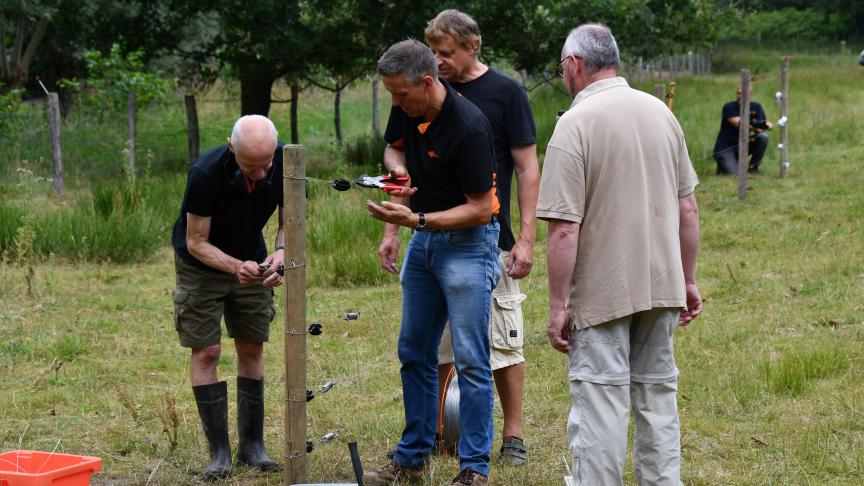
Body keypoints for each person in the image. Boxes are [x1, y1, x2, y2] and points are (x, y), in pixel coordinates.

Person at [537, 24, 702, 485]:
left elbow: (564, 229)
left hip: (603, 291)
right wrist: (687, 280)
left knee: (601, 405)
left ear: (574, 65)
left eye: (561, 67)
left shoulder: (573, 125)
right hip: (663, 283)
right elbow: (687, 206)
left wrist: (557, 307)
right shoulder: (661, 112)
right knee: (658, 398)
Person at [363, 39, 501, 486]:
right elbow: (394, 152)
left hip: (468, 242)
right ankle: (411, 457)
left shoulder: (469, 127)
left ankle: (474, 468)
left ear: (428, 82)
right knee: (414, 350)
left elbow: (482, 208)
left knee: (472, 358)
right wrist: (398, 191)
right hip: (423, 242)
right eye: (391, 95)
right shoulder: (408, 105)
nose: (395, 103)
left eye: (401, 95)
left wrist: (416, 218)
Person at [418, 8, 539, 466]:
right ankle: (441, 429)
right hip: (435, 236)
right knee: (441, 342)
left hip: (493, 237)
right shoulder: (428, 91)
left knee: (502, 339)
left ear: (472, 46)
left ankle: (512, 436)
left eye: (445, 52)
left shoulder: (505, 93)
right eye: (432, 51)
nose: (438, 60)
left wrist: (525, 238)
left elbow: (527, 167)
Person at [171, 115, 284, 480]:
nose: (262, 173)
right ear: (232, 148)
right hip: (203, 265)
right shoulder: (205, 173)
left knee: (252, 345)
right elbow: (195, 241)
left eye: (267, 163)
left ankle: (253, 446)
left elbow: (290, 222)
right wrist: (236, 267)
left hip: (253, 256)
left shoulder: (284, 162)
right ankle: (218, 454)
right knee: (208, 351)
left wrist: (281, 254)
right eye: (252, 166)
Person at [713, 84, 773, 175]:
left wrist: (763, 125)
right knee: (737, 175)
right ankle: (723, 166)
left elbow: (762, 128)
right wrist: (757, 124)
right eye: (738, 93)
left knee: (763, 137)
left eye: (743, 93)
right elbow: (739, 123)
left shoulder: (756, 107)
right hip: (725, 148)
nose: (740, 96)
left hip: (742, 145)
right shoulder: (729, 107)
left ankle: (753, 167)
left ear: (751, 94)